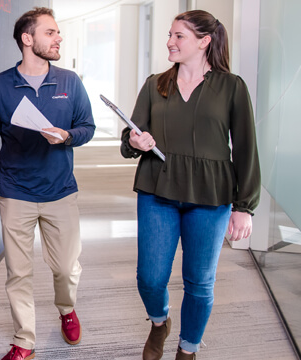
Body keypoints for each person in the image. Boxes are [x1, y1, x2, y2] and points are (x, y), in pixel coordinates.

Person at [120, 10, 261, 360]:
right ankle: (159, 322)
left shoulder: (231, 87)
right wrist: (134, 141)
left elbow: (245, 148)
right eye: (169, 34)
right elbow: (130, 136)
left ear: (204, 41)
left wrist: (245, 206)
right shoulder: (155, 84)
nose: (169, 41)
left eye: (178, 36)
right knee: (150, 278)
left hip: (211, 196)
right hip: (158, 190)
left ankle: (188, 349)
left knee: (199, 281)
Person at [0, 7, 95, 360]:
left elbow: (88, 128)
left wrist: (67, 136)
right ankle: (24, 341)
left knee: (66, 268)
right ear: (27, 38)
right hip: (16, 193)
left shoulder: (70, 82)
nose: (58, 38)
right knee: (18, 273)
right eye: (51, 32)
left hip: (60, 192)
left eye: (57, 33)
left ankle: (66, 309)